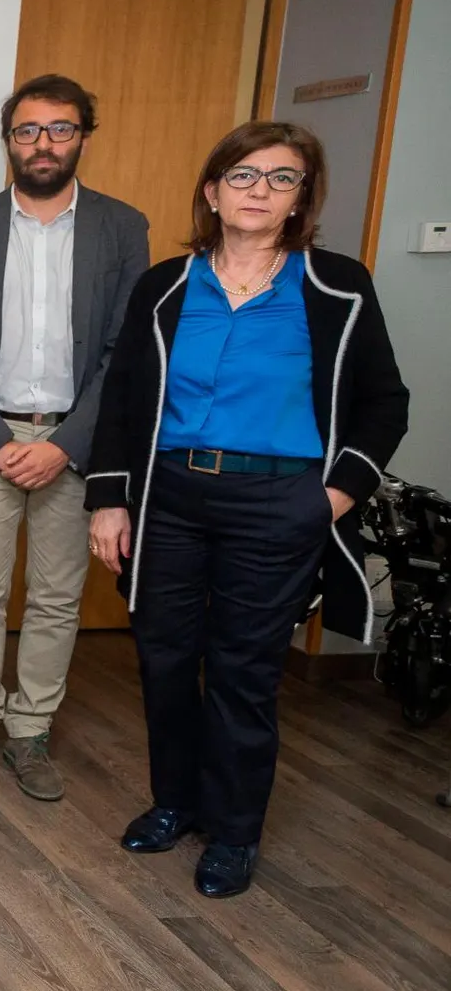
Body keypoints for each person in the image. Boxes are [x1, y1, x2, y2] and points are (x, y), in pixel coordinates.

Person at [86, 121, 407, 898]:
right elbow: (124, 398)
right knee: (164, 657)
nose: (259, 190)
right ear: (212, 191)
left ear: (302, 197)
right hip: (170, 495)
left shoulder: (337, 285)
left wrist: (329, 499)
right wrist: (107, 499)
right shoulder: (165, 284)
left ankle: (233, 831)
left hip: (278, 501)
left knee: (243, 669)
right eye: (243, 175)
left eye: (281, 177)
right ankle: (175, 802)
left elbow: (384, 403)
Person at [0, 75, 150, 801]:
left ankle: (30, 730)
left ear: (84, 134)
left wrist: (65, 444)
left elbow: (126, 352)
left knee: (57, 596)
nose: (43, 143)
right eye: (28, 130)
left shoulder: (123, 228)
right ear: (8, 140)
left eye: (59, 128)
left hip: (75, 444)